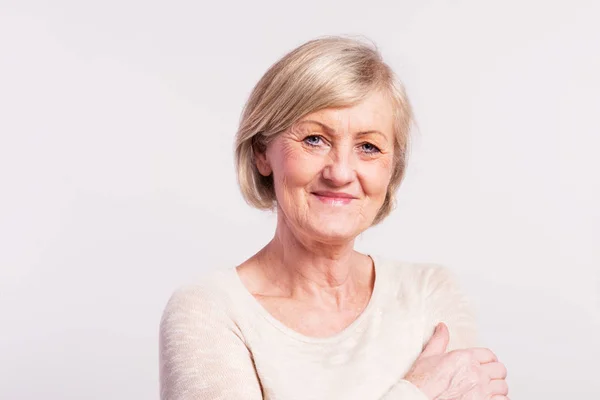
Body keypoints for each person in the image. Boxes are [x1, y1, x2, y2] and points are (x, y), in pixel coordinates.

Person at [159, 36, 509, 400]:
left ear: (393, 167)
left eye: (368, 147)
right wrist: (417, 392)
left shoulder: (429, 294)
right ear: (263, 152)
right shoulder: (209, 310)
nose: (341, 172)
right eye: (314, 139)